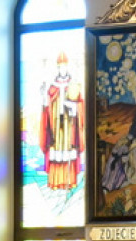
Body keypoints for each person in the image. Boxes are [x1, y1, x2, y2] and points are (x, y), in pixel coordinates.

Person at [40, 52, 84, 190]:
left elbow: (81, 105)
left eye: (64, 67)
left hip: (69, 125)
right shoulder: (52, 87)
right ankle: (54, 182)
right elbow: (46, 106)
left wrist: (74, 106)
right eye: (60, 67)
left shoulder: (73, 86)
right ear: (57, 68)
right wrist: (44, 98)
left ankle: (69, 181)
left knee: (69, 151)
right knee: (55, 151)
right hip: (55, 126)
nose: (62, 70)